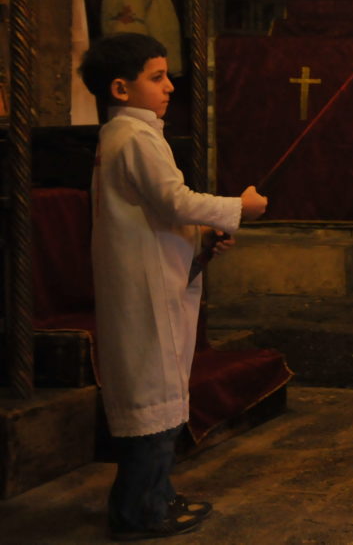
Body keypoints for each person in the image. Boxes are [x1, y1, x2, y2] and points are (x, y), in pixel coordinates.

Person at [78, 33, 268, 540]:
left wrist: (204, 237)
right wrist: (237, 208)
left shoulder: (128, 135)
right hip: (143, 294)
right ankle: (138, 511)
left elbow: (154, 215)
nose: (169, 86)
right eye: (156, 77)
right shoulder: (134, 137)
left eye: (167, 75)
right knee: (152, 405)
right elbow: (175, 201)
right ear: (121, 87)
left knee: (159, 398)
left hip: (148, 282)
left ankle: (157, 496)